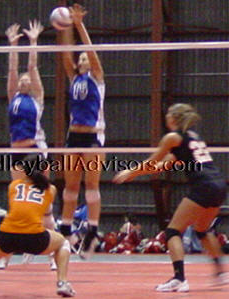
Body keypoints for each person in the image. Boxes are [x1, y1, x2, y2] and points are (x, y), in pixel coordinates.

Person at [113, 103, 228, 292]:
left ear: (174, 118)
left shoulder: (172, 137)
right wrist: (136, 173)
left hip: (204, 186)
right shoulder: (192, 137)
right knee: (201, 230)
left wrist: (130, 172)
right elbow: (162, 166)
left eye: (168, 114)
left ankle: (179, 278)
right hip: (219, 185)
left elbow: (152, 161)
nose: (165, 117)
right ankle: (221, 272)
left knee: (172, 232)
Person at [0, 154, 75, 297]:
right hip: (34, 238)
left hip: (7, 235)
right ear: (45, 171)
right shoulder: (51, 189)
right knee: (63, 243)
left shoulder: (13, 186)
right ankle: (62, 283)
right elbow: (42, 211)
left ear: (25, 171)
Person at [4, 20, 56, 270]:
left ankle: (53, 253)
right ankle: (11, 250)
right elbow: (13, 70)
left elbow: (32, 66)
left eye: (27, 79)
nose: (24, 79)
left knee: (43, 199)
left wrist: (33, 41)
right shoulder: (13, 95)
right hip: (16, 152)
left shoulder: (37, 98)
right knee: (17, 199)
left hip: (36, 149)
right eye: (22, 79)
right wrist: (13, 45)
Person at [59, 4, 105, 259]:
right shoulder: (73, 77)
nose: (84, 59)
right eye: (82, 58)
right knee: (70, 186)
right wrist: (64, 27)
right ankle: (66, 230)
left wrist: (78, 25)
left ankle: (92, 232)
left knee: (91, 184)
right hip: (73, 136)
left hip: (93, 136)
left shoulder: (97, 77)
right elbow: (66, 53)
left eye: (86, 57)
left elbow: (92, 53)